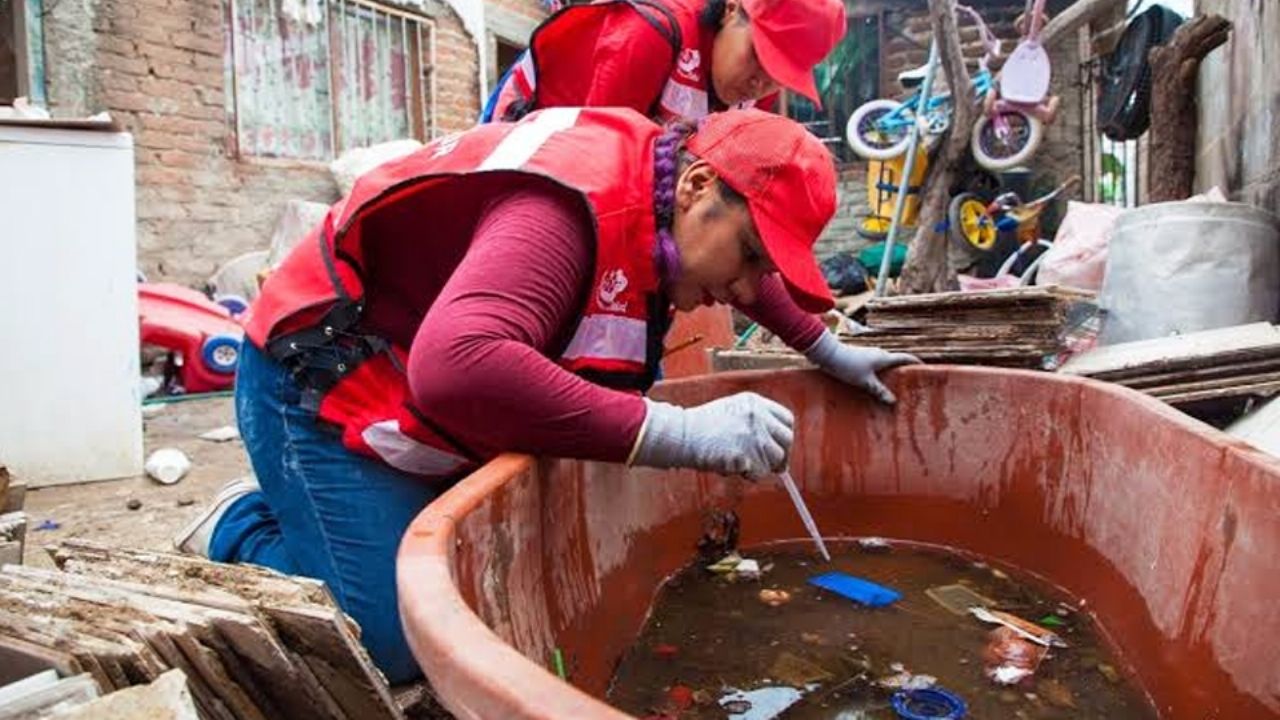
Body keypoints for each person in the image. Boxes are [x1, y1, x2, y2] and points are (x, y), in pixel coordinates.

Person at [174, 108, 918, 684]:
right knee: (393, 638)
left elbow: (737, 270)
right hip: (319, 378)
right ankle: (242, 523)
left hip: (405, 360)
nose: (752, 286)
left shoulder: (670, 189)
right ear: (695, 188)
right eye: (755, 254)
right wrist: (681, 432)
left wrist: (825, 348)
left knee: (485, 567)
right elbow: (458, 367)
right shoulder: (565, 213)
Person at [483, 0, 845, 124]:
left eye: (779, 75)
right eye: (758, 57)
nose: (760, 83)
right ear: (732, 8)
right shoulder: (652, 33)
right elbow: (595, 162)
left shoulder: (757, 91)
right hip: (534, 121)